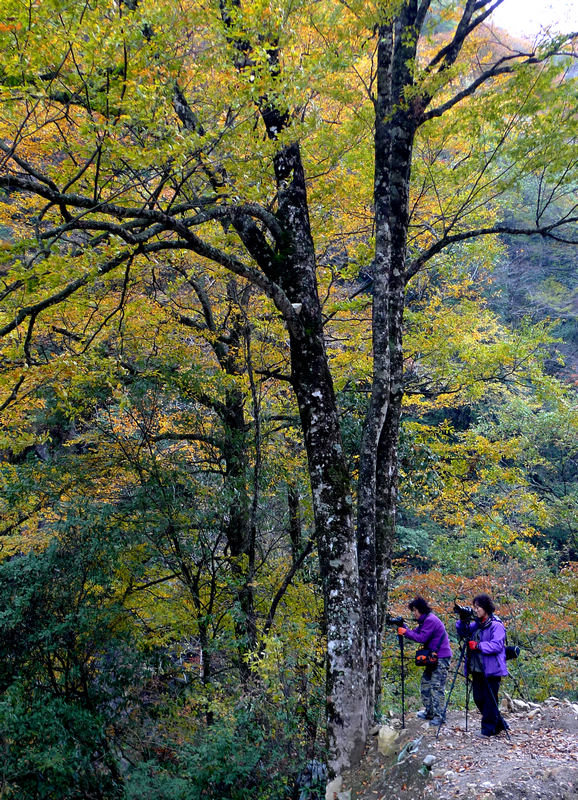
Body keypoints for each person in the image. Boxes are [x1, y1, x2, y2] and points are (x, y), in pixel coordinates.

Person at [456, 593, 509, 738]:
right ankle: (500, 724)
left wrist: (479, 645)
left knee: (490, 699)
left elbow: (497, 645)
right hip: (477, 668)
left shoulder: (496, 625)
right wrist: (462, 620)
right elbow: (463, 632)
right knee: (478, 698)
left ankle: (487, 730)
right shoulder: (477, 624)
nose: (476, 610)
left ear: (486, 608)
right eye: (475, 607)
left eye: (478, 607)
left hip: (492, 668)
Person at [397, 596, 452, 727]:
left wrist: (405, 632)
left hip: (441, 658)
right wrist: (402, 627)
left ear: (421, 610)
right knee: (426, 684)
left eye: (415, 610)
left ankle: (440, 716)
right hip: (433, 658)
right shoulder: (424, 621)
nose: (414, 614)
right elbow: (414, 633)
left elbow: (421, 638)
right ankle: (430, 712)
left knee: (437, 687)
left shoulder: (430, 620)